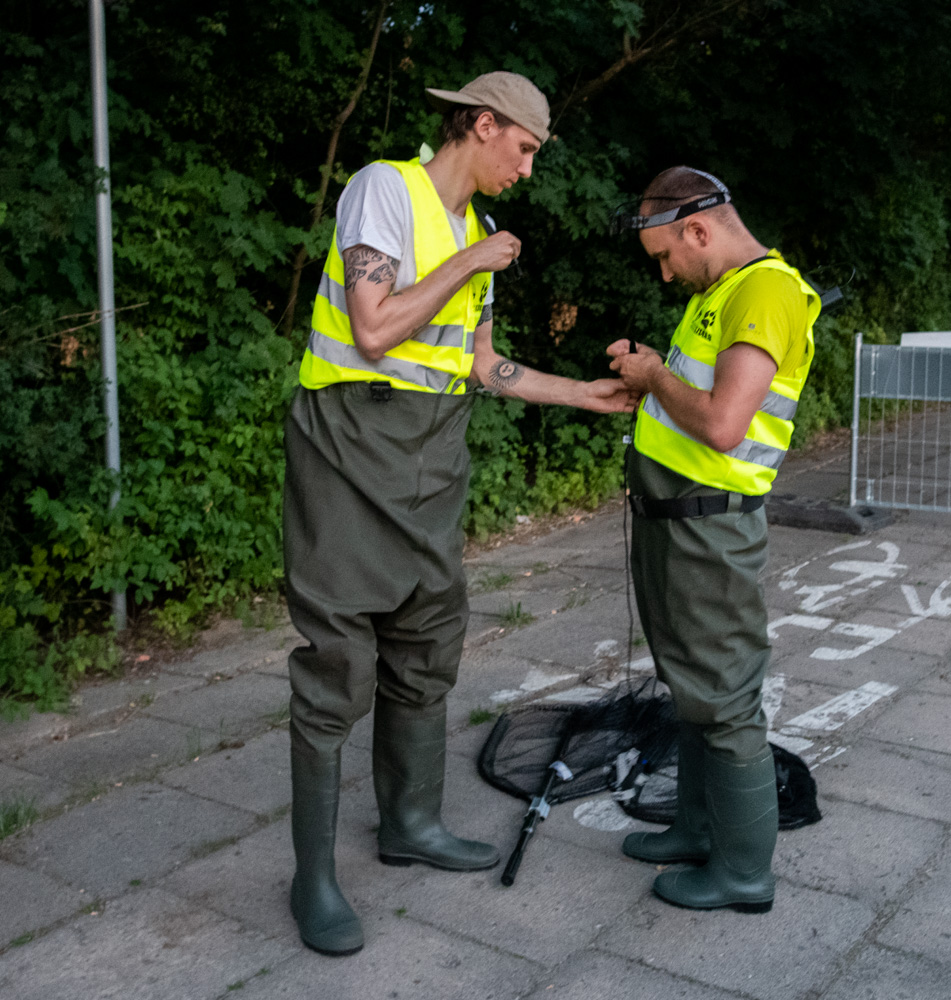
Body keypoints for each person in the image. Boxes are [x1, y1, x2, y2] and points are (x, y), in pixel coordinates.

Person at [283, 71, 634, 958]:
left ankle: (411, 822)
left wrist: (582, 397)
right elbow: (374, 328)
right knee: (338, 659)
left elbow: (480, 365)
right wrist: (470, 262)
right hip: (348, 448)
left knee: (427, 640)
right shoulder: (384, 190)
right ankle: (313, 879)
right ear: (482, 125)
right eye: (522, 150)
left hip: (432, 460)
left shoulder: (472, 230)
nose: (526, 171)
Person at [606, 166, 822, 913]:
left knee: (724, 698)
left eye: (667, 256)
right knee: (693, 686)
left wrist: (653, 374)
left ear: (699, 229)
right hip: (679, 523)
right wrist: (655, 385)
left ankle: (742, 871)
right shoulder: (721, 291)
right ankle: (696, 828)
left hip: (710, 531)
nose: (666, 274)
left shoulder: (764, 291)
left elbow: (724, 424)